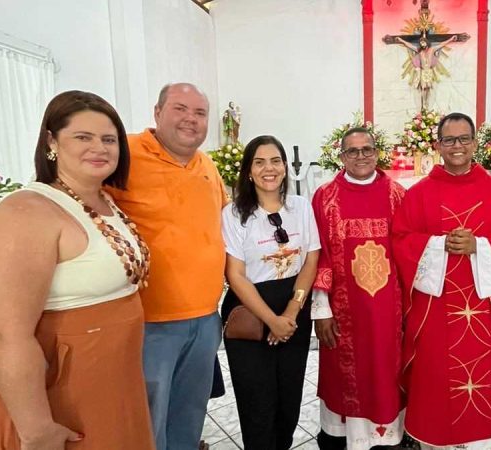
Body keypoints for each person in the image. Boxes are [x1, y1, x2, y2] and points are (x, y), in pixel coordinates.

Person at [0, 91, 154, 449]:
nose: (99, 148)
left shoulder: (105, 200)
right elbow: (8, 334)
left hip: (117, 377)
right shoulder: (27, 210)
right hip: (68, 388)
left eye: (109, 139)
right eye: (83, 137)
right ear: (51, 141)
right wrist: (36, 430)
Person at [392, 112, 491, 449]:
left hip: (484, 311)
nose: (457, 146)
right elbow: (400, 239)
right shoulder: (419, 193)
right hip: (435, 313)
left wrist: (479, 246)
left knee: (481, 391)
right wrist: (439, 245)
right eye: (450, 140)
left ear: (474, 142)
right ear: (438, 145)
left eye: (464, 138)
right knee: (436, 383)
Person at [106, 83, 227, 450]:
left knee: (189, 414)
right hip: (151, 322)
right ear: (157, 113)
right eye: (180, 109)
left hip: (206, 318)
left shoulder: (206, 164)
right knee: (149, 419)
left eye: (200, 113)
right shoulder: (124, 154)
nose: (191, 119)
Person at [221, 135, 320, 450]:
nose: (269, 168)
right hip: (250, 312)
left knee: (289, 399)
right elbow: (235, 275)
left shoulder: (301, 207)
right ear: (248, 170)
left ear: (285, 166)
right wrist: (270, 320)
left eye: (275, 161)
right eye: (260, 162)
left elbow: (311, 259)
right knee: (257, 404)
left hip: (293, 308)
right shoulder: (234, 214)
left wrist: (291, 312)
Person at [311, 127, 406, 450]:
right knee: (345, 381)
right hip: (342, 313)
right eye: (353, 151)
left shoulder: (397, 194)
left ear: (377, 152)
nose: (361, 156)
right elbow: (318, 253)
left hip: (387, 314)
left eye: (367, 149)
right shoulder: (325, 197)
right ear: (341, 157)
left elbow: (408, 253)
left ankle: (385, 440)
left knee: (385, 376)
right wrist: (321, 308)